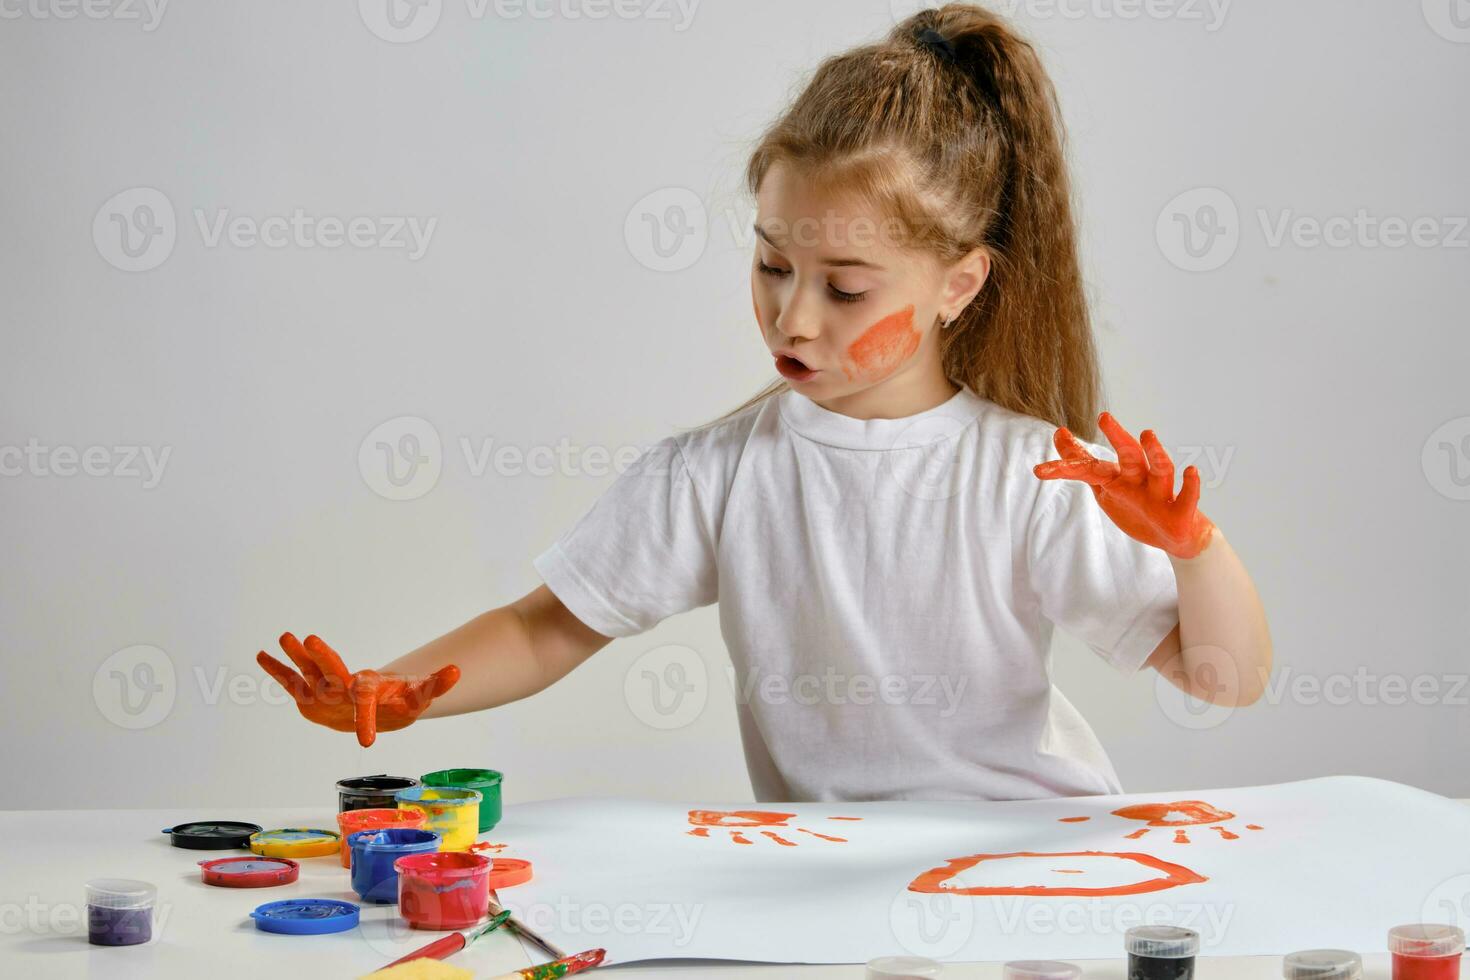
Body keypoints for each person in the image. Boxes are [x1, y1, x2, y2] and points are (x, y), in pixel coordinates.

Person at [257, 3, 1272, 802]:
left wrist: (1194, 547)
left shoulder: (1030, 473)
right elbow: (543, 628)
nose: (793, 316)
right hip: (825, 890)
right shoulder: (718, 472)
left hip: (1031, 865)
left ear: (958, 285)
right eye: (772, 264)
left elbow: (1225, 678)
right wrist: (396, 691)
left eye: (845, 286)